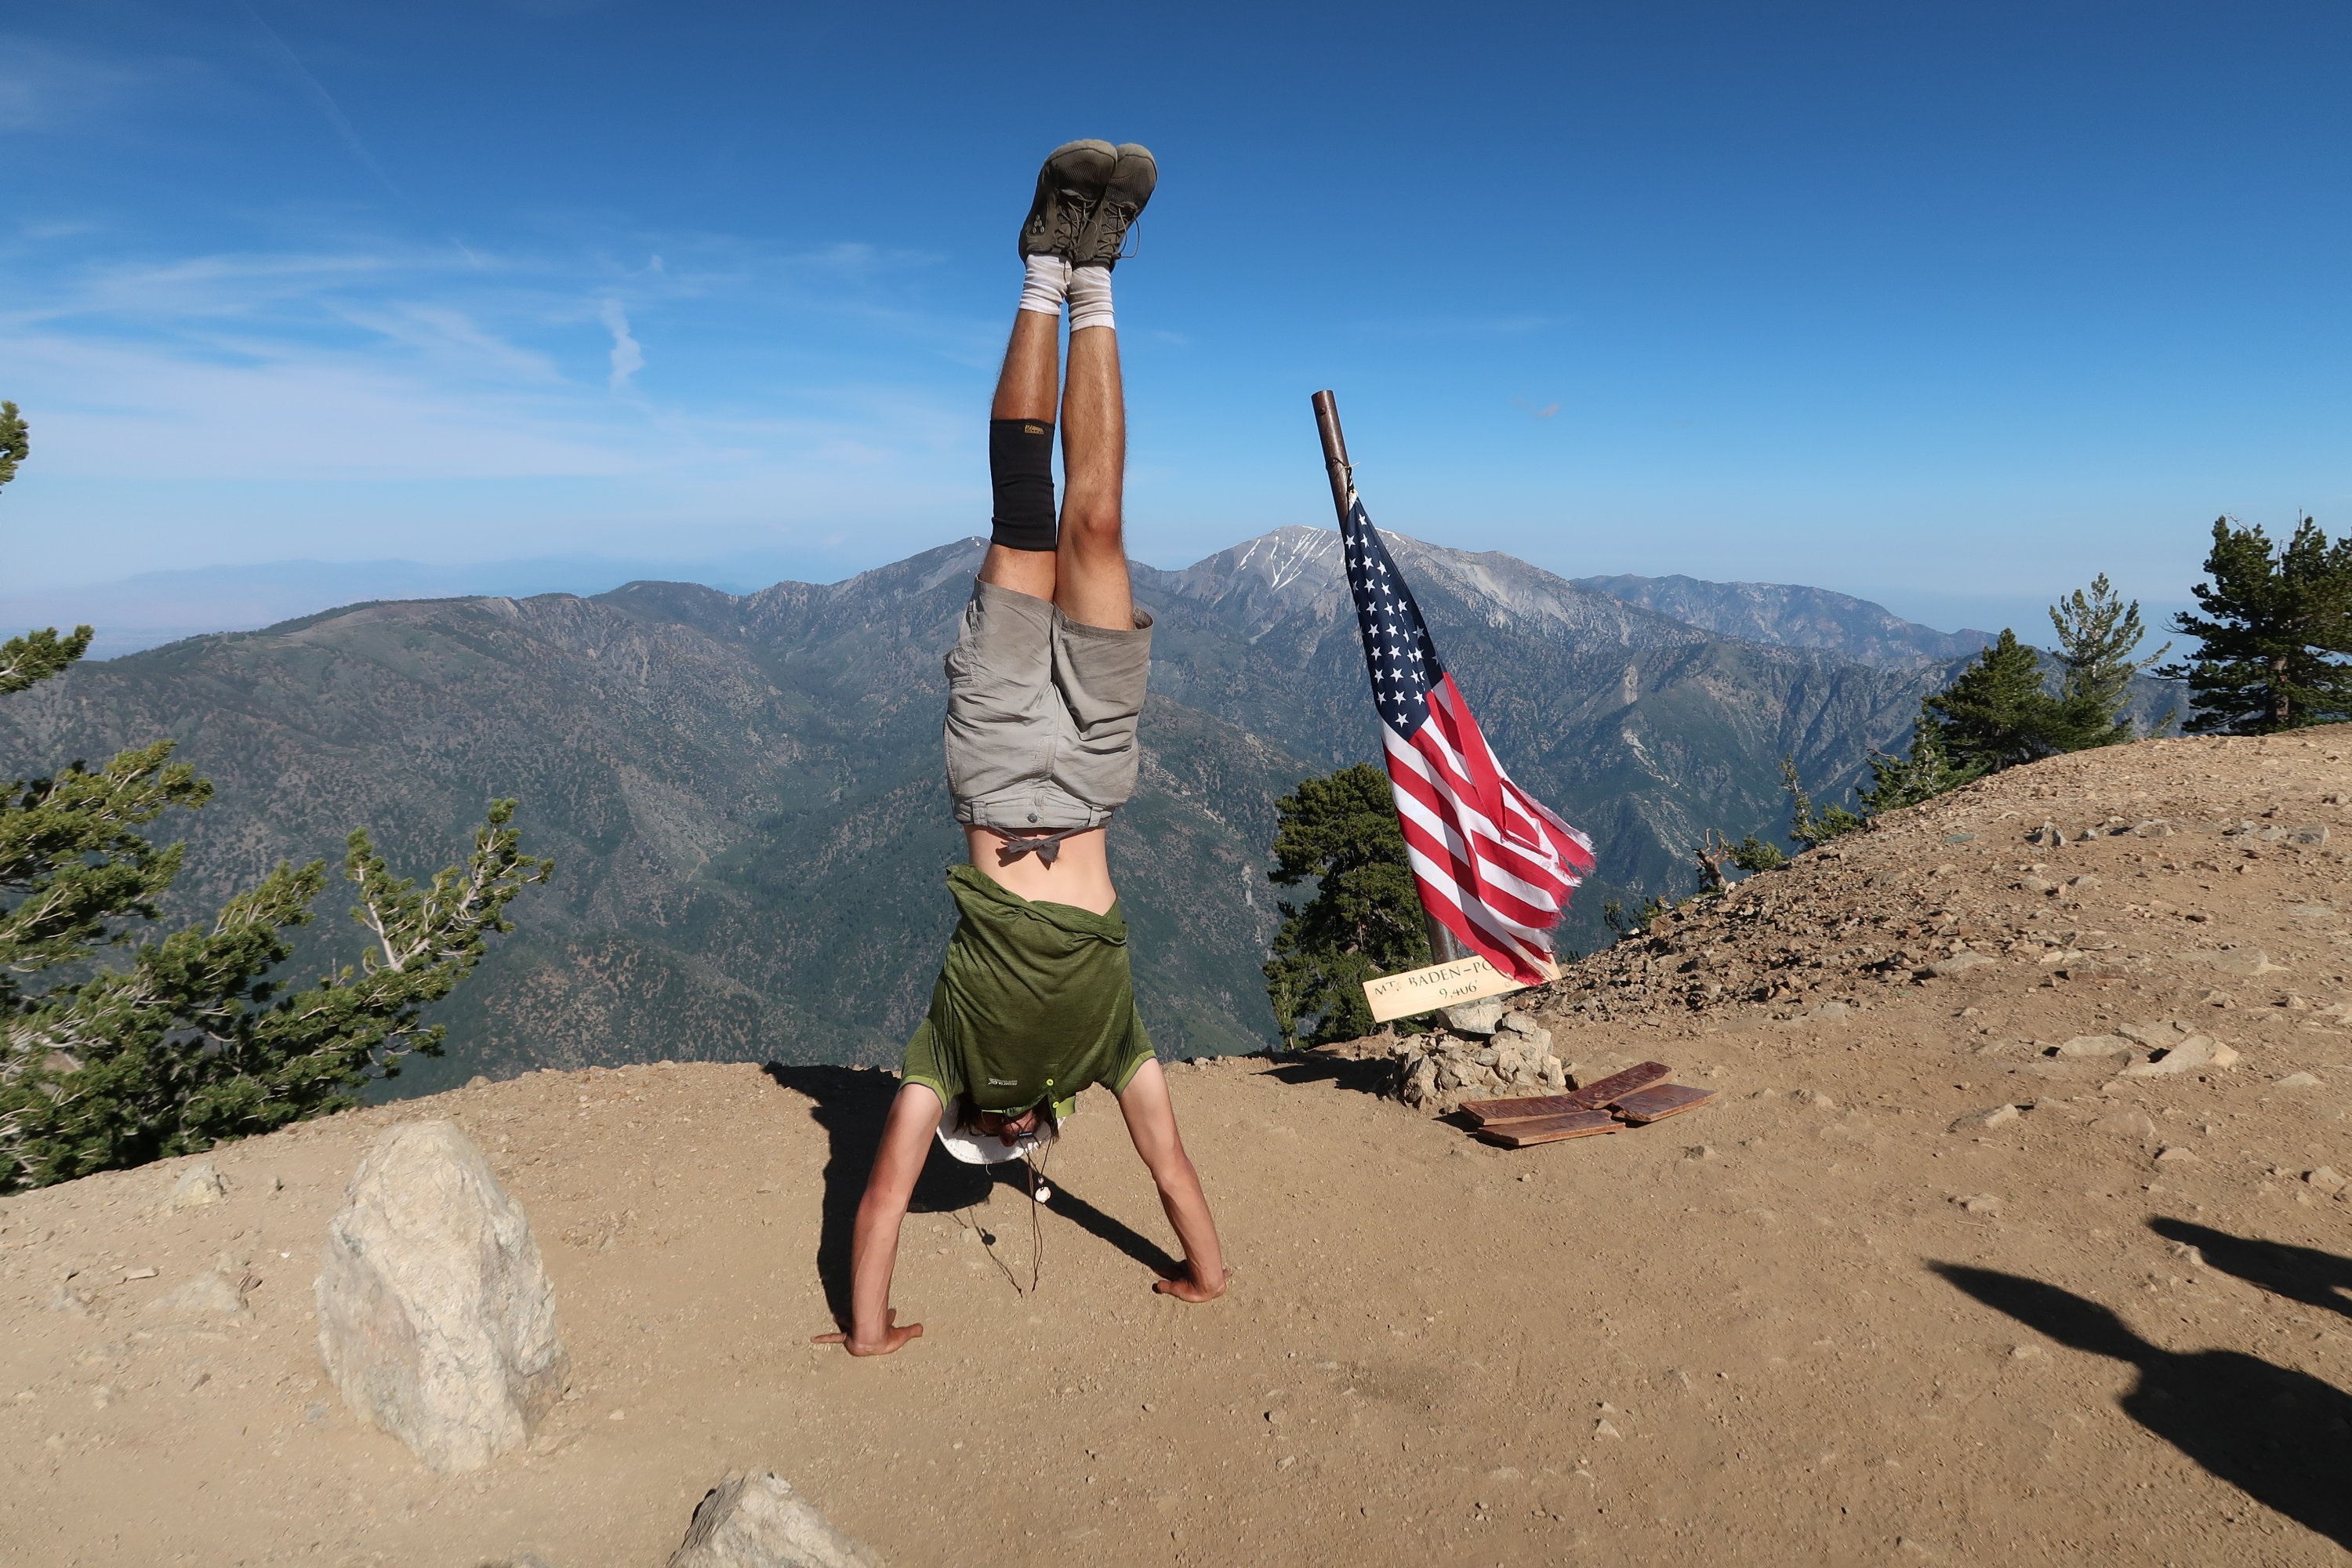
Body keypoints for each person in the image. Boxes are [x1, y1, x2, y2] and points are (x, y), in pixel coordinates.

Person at [814, 140, 1229, 1357]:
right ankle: (1099, 278)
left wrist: (870, 1334)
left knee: (1026, 513)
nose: (997, 1133)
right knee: (1097, 525)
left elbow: (880, 1200)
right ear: (1031, 1128)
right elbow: (1169, 1164)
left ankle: (1044, 261)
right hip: (1093, 775)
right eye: (1007, 1139)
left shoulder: (939, 1059)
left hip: (998, 766)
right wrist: (1205, 1276)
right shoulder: (1109, 1052)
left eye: (982, 1139)